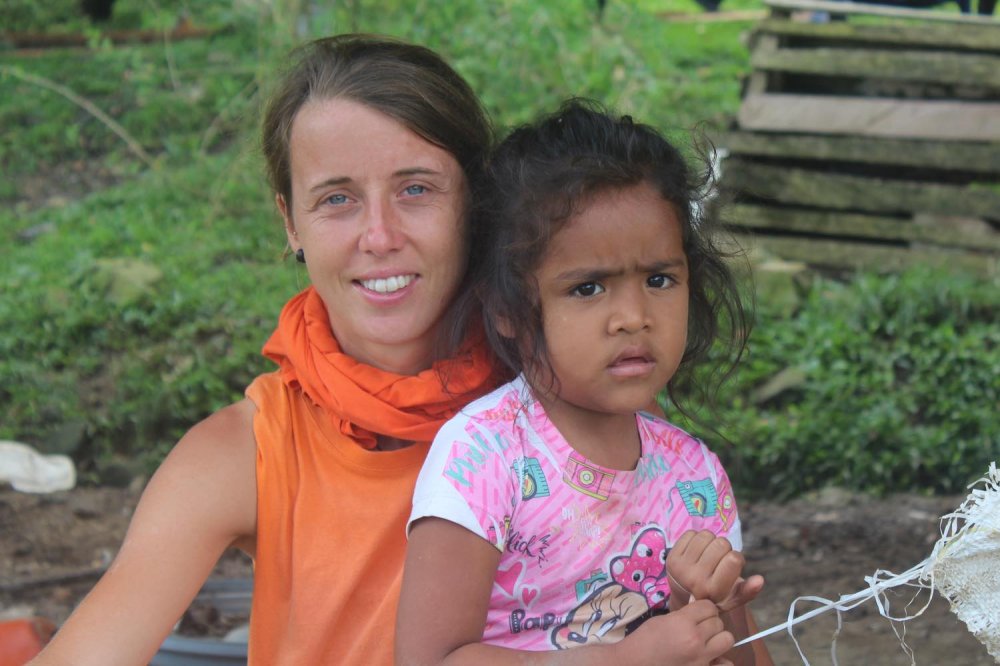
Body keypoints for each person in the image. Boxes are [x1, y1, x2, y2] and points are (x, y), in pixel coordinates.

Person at [30, 34, 500, 665]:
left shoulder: (564, 407)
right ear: (290, 223)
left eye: (416, 188)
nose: (380, 236)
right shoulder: (249, 452)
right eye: (337, 198)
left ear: (474, 201)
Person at [396, 100, 772, 665]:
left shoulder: (694, 477)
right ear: (507, 309)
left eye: (660, 278)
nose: (633, 316)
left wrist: (714, 610)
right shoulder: (485, 455)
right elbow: (429, 660)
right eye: (588, 288)